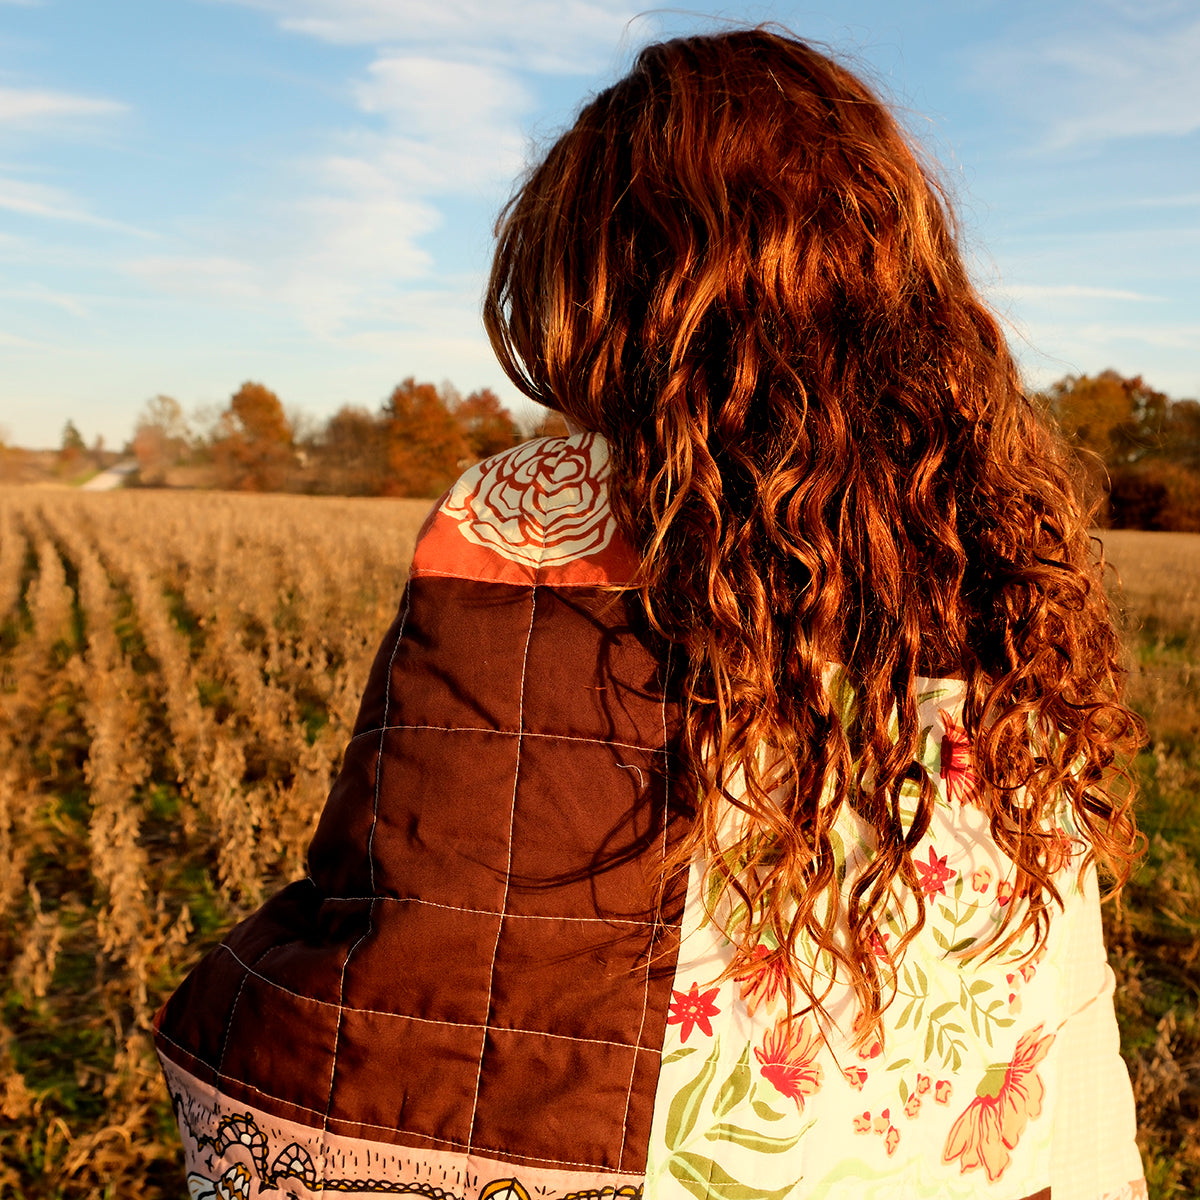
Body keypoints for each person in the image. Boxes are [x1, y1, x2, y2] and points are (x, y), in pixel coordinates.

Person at [155, 28, 1146, 1200]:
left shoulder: (524, 513)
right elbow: (1053, 978)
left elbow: (417, 916)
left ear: (598, 278)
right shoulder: (987, 530)